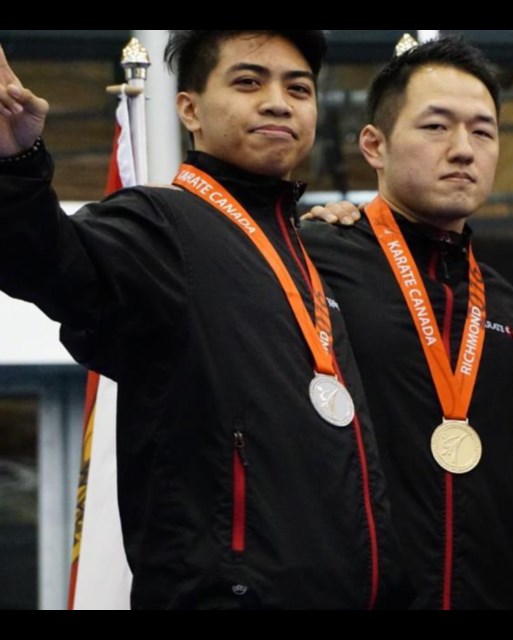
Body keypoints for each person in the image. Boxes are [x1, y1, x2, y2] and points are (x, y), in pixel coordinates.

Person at [0, 30, 408, 609]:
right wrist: (14, 164)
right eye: (248, 81)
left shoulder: (310, 251)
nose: (277, 101)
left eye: (299, 88)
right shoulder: (160, 226)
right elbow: (48, 261)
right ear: (189, 108)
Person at [301, 36, 513, 609]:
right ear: (374, 145)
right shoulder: (310, 263)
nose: (464, 149)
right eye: (436, 127)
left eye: (483, 131)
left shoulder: (510, 307)